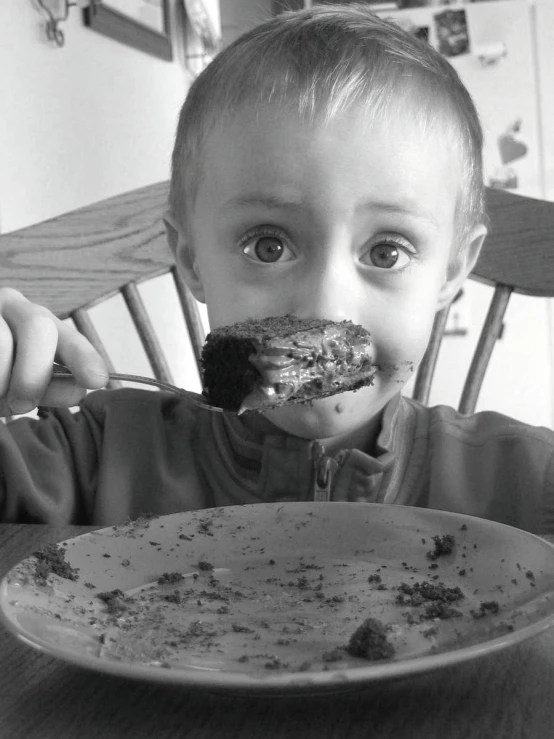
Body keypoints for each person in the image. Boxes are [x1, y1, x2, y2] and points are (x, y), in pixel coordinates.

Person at [1, 4, 553, 531]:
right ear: (191, 258)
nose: (325, 309)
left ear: (452, 270)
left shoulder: (521, 482)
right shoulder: (99, 457)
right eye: (268, 246)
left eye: (387, 252)